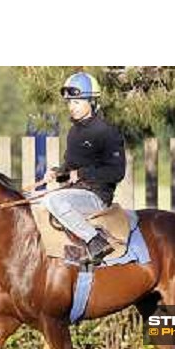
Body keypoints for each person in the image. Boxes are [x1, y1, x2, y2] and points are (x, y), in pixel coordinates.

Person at [40, 71, 126, 264]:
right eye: (69, 102)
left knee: (53, 201)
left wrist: (80, 173)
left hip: (96, 197)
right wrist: (56, 173)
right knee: (35, 201)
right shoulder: (74, 133)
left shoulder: (108, 132)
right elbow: (69, 169)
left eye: (77, 102)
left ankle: (96, 241)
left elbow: (117, 173)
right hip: (74, 192)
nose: (72, 107)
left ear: (92, 102)